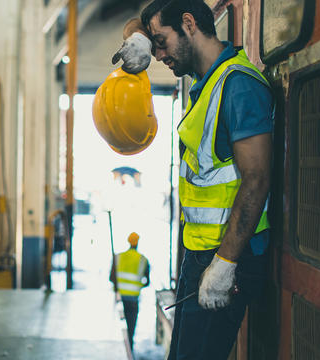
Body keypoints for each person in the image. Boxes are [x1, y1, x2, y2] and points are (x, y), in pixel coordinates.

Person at [111, 1, 273, 359]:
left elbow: (257, 179)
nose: (158, 54)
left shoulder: (238, 85)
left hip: (228, 257)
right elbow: (135, 20)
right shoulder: (207, 83)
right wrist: (137, 37)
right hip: (200, 255)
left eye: (161, 42)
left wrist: (225, 264)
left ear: (189, 24)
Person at [109, 232, 150, 352]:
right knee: (131, 329)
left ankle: (119, 351)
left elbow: (111, 278)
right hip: (133, 300)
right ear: (137, 243)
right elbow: (147, 282)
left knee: (119, 329)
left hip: (119, 298)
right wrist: (137, 286)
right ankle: (129, 351)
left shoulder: (118, 257)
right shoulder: (143, 259)